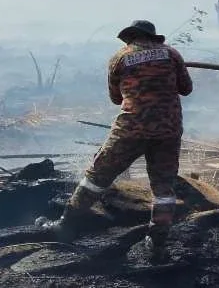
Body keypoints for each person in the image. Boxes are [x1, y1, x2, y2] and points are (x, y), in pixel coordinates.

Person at [40, 20, 193, 259]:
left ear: (131, 36)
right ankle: (156, 244)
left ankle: (65, 225)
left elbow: (115, 97)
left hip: (130, 130)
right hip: (168, 130)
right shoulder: (172, 54)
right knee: (164, 189)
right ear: (153, 37)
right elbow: (186, 89)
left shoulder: (119, 58)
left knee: (96, 177)